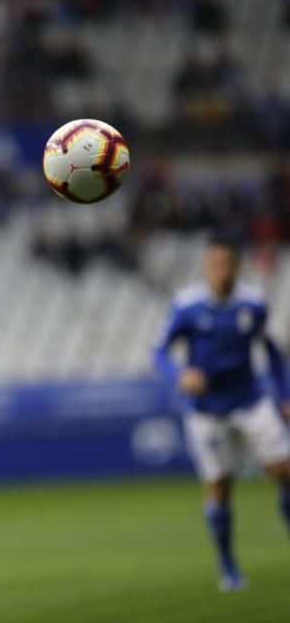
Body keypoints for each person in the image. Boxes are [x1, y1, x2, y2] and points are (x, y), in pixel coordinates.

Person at [152, 233, 290, 591]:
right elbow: (160, 352)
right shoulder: (187, 306)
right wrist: (180, 374)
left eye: (227, 264)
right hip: (207, 410)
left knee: (284, 471)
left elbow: (272, 351)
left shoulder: (253, 304)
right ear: (205, 266)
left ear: (237, 266)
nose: (220, 271)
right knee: (220, 490)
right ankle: (228, 562)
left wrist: (284, 394)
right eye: (214, 264)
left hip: (251, 400)